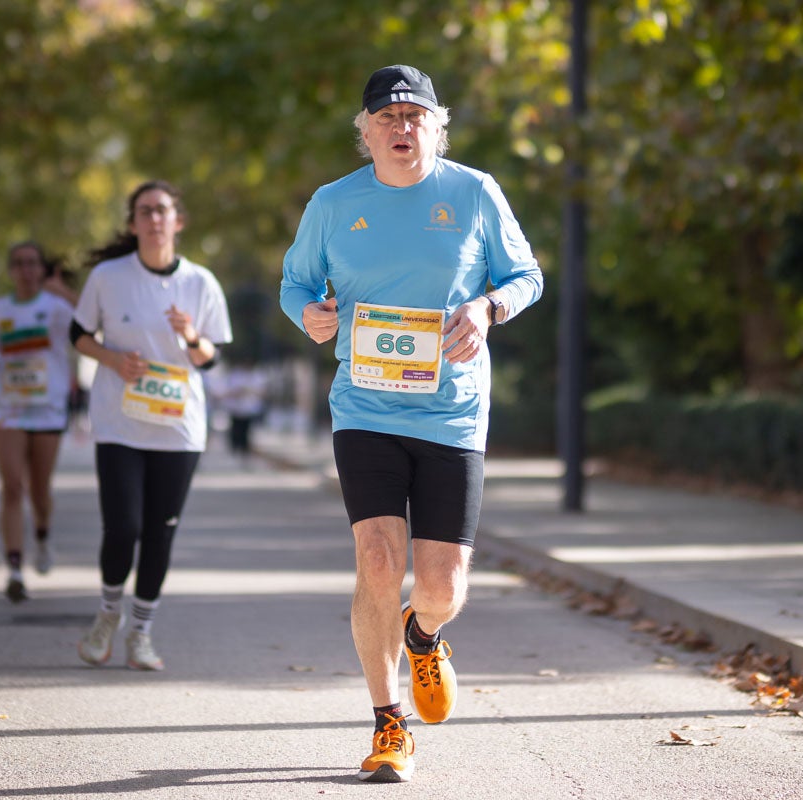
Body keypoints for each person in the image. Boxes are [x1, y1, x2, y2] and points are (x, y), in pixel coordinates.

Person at [279, 65, 544, 782]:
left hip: (453, 413)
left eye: (416, 117)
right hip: (363, 408)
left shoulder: (474, 192)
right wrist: (308, 311)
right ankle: (388, 723)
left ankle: (422, 635)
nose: (403, 128)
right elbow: (296, 281)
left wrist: (488, 310)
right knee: (376, 563)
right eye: (388, 118)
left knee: (443, 586)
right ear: (364, 133)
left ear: (438, 126)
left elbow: (526, 275)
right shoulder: (334, 204)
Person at [72, 180, 232, 671]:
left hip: (178, 427)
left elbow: (210, 359)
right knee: (122, 527)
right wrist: (112, 359)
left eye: (162, 210)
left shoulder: (200, 283)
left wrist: (189, 335)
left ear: (177, 221)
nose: (155, 219)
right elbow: (78, 334)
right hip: (119, 422)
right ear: (133, 222)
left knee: (160, 532)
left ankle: (140, 632)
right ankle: (106, 616)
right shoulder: (108, 276)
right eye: (145, 211)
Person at [0, 242, 74, 602]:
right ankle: (15, 568)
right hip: (7, 408)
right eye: (18, 264)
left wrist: (62, 290)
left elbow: (92, 323)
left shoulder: (57, 308)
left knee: (39, 488)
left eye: (33, 263)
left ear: (42, 269)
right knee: (12, 487)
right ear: (10, 271)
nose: (26, 270)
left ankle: (44, 536)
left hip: (47, 407)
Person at [220, 357, 269, 466]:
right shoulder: (235, 375)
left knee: (246, 433)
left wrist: (251, 391)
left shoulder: (257, 375)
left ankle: (245, 454)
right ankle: (235, 452)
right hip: (236, 410)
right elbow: (227, 391)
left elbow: (262, 392)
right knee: (235, 432)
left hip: (250, 410)